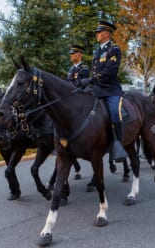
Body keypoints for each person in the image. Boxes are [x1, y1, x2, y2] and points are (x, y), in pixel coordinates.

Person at [79, 20, 127, 162]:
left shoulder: (114, 49)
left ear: (106, 33)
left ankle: (118, 144)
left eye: (99, 32)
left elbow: (110, 71)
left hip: (110, 89)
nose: (97, 35)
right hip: (96, 88)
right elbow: (95, 71)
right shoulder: (98, 51)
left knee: (114, 112)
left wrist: (92, 80)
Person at [67, 44, 89, 179]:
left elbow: (82, 85)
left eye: (73, 53)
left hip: (81, 97)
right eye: (71, 53)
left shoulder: (84, 69)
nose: (71, 55)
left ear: (79, 54)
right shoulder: (70, 69)